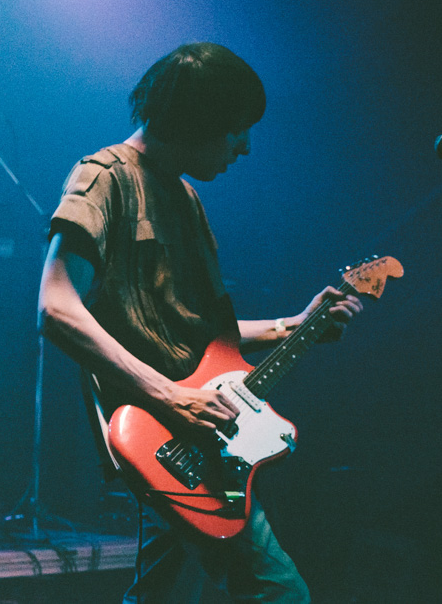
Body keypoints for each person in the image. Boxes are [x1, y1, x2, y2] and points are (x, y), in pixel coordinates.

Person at [37, 42, 362, 603]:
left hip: (199, 437)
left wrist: (294, 324)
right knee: (279, 590)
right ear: (197, 119)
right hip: (158, 432)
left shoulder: (185, 197)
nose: (246, 146)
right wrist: (170, 397)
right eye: (236, 129)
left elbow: (200, 335)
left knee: (166, 588)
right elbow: (56, 307)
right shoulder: (104, 177)